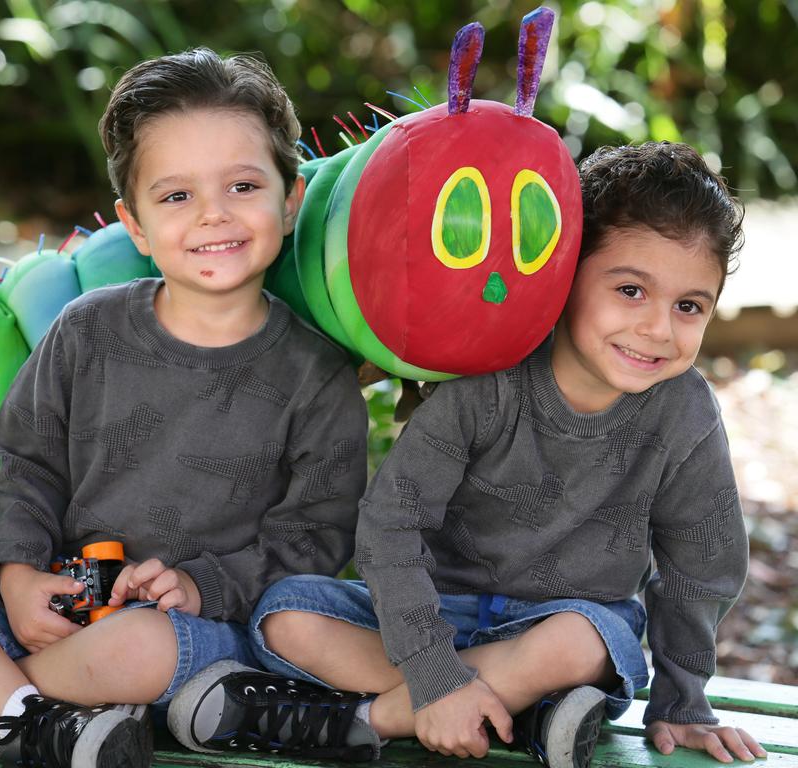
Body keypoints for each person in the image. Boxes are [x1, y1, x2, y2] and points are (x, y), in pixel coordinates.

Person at [0, 47, 368, 768]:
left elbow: (315, 538)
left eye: (242, 185)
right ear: (134, 225)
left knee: (138, 645)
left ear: (289, 202)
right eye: (175, 197)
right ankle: (33, 721)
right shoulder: (87, 329)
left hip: (187, 625)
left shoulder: (316, 376)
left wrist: (201, 586)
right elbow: (27, 466)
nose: (213, 215)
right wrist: (17, 578)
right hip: (60, 598)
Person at [167, 142, 769, 768]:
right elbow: (391, 525)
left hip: (561, 626)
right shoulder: (489, 378)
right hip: (430, 615)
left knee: (591, 641)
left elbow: (702, 562)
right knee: (285, 615)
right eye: (630, 290)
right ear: (561, 274)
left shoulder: (683, 411)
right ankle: (523, 710)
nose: (659, 329)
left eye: (689, 307)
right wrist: (434, 673)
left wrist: (684, 700)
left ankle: (364, 721)